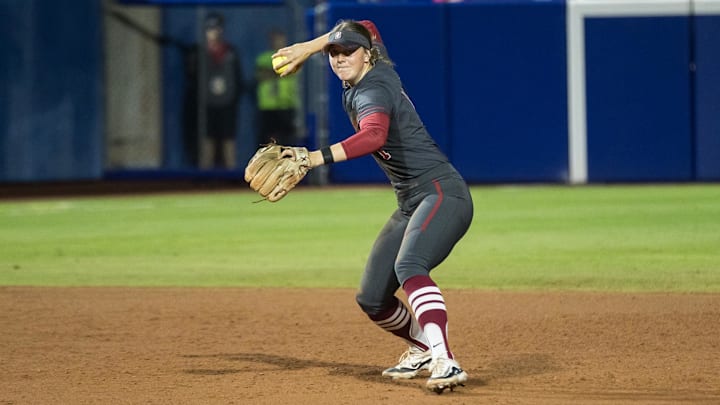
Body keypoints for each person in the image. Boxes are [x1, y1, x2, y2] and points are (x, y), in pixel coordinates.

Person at [273, 20, 474, 393]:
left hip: (441, 192)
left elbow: (374, 135)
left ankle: (446, 360)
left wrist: (314, 159)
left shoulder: (373, 88)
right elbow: (365, 25)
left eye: (348, 51)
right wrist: (308, 47)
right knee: (372, 298)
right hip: (411, 201)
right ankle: (423, 347)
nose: (339, 58)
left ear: (367, 55)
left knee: (410, 265)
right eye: (334, 53)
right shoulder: (372, 64)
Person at [188, 13, 244, 169]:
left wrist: (234, 98)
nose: (214, 33)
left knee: (228, 140)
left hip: (227, 103)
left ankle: (231, 176)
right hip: (207, 104)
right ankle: (205, 178)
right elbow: (192, 78)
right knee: (207, 141)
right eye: (210, 29)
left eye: (216, 29)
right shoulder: (199, 52)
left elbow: (237, 78)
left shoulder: (230, 51)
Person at [254, 29, 300, 146]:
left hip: (287, 104)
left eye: (280, 38)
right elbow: (261, 75)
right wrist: (278, 72)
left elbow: (294, 72)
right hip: (268, 106)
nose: (278, 41)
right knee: (266, 139)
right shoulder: (264, 58)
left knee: (287, 139)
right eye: (275, 39)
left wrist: (272, 72)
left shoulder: (292, 57)